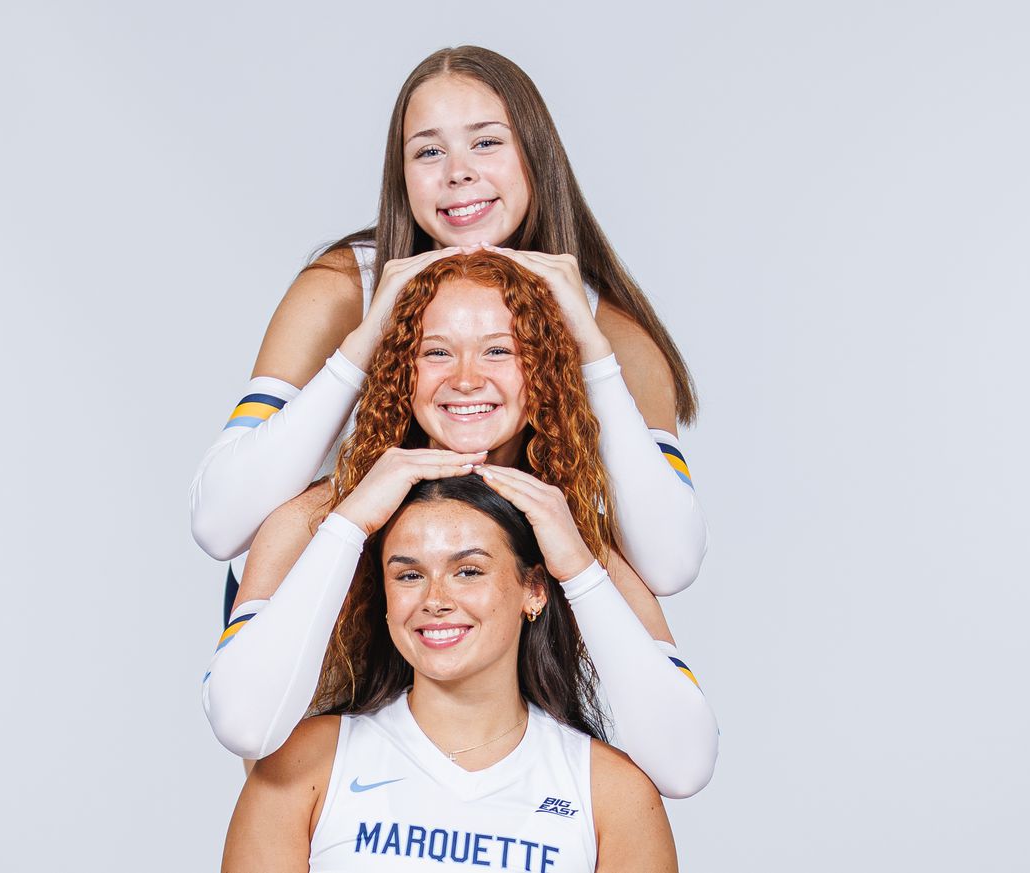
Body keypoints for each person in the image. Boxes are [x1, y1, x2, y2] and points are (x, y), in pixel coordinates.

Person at [191, 46, 708, 625]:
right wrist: (365, 340)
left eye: (486, 142)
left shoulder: (609, 331)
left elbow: (671, 563)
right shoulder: (344, 290)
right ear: (402, 175)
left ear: (536, 156)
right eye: (429, 151)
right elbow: (220, 524)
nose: (457, 171)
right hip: (315, 603)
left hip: (485, 610)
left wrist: (593, 354)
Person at [205, 252, 717, 798]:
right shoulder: (310, 521)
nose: (467, 379)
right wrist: (351, 522)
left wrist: (578, 568)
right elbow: (244, 725)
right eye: (437, 352)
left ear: (542, 370)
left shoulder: (575, 536)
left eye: (499, 350)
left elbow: (684, 766)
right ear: (403, 369)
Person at [222, 472, 677, 872]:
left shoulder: (613, 794)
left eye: (468, 571)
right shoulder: (303, 763)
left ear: (534, 590)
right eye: (409, 576)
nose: (435, 600)